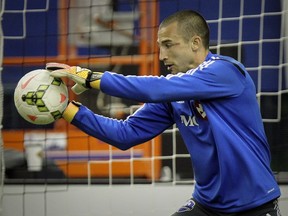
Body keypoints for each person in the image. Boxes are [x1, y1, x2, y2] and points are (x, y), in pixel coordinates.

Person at [47, 10, 282, 216]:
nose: (161, 55)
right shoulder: (174, 94)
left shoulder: (225, 71)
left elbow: (158, 88)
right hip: (207, 205)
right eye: (160, 46)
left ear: (195, 43)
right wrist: (67, 110)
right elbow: (125, 134)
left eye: (168, 44)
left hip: (254, 205)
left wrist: (92, 78)